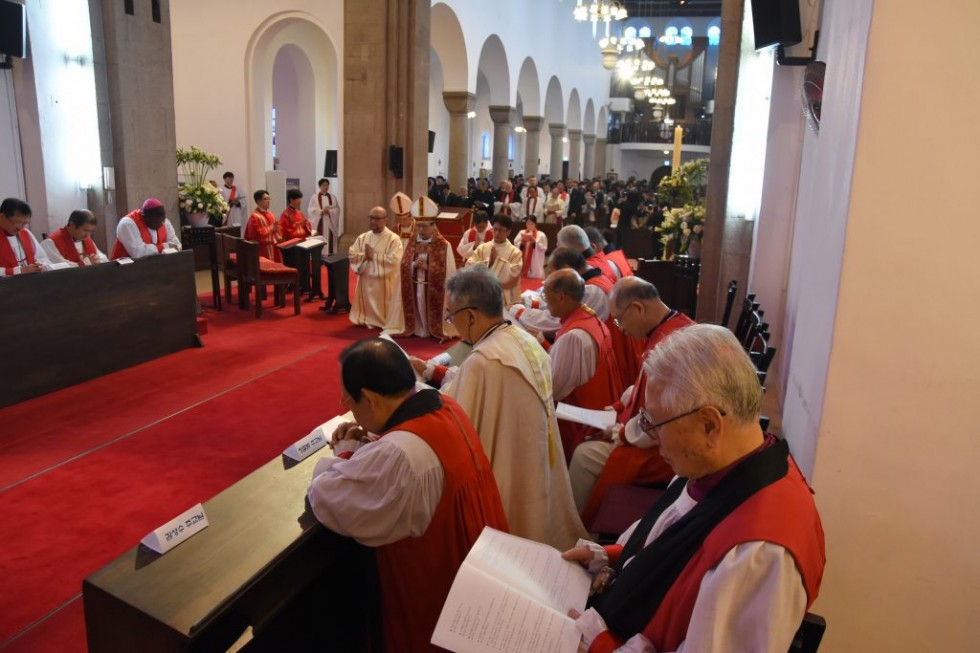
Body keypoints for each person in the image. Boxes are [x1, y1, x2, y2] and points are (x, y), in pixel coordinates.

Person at [561, 325, 825, 653]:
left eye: (655, 424)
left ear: (709, 425)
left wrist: (597, 643)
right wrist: (611, 558)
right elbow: (672, 547)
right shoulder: (720, 463)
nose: (651, 438)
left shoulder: (759, 553)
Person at [308, 338, 507, 653]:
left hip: (439, 591)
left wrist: (345, 453)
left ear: (370, 399)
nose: (345, 405)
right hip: (480, 562)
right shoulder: (444, 404)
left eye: (347, 397)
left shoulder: (400, 454)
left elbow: (329, 498)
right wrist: (375, 440)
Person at [409, 266, 587, 549]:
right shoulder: (522, 339)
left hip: (507, 471)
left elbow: (456, 421)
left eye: (451, 316)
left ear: (470, 315)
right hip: (537, 461)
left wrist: (413, 392)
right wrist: (433, 371)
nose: (451, 323)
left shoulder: (484, 361)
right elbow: (478, 385)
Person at [570, 277, 694, 523]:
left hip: (666, 449)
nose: (620, 329)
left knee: (584, 455)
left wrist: (620, 432)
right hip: (658, 431)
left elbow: (661, 419)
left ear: (637, 308)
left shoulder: (670, 348)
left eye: (619, 319)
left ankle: (577, 527)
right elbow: (643, 387)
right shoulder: (671, 327)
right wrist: (619, 406)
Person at [544, 269, 623, 462]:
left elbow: (552, 389)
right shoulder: (591, 318)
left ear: (561, 297)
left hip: (580, 422)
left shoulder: (574, 337)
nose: (545, 301)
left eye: (546, 295)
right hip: (600, 408)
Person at [398, 196, 456, 340]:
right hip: (415, 284)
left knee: (428, 306)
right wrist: (413, 265)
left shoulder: (443, 245)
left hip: (433, 288)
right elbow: (404, 264)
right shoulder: (412, 242)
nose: (421, 230)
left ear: (433, 226)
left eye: (425, 226)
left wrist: (428, 268)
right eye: (418, 226)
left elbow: (449, 273)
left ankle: (432, 329)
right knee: (418, 305)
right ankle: (419, 328)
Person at [349, 206, 403, 330]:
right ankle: (364, 318)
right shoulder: (363, 237)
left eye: (377, 219)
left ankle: (382, 320)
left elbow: (395, 261)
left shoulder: (393, 239)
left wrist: (374, 256)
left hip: (383, 282)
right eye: (371, 218)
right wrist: (364, 256)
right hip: (365, 279)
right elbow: (352, 254)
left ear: (386, 219)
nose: (373, 221)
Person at [465, 214, 523, 305]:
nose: (497, 233)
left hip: (503, 298)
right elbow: (469, 265)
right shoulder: (482, 248)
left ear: (508, 232)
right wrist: (489, 263)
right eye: (495, 229)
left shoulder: (515, 253)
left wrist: (497, 261)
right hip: (482, 294)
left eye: (501, 230)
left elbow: (513, 276)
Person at [111, 198, 181, 260]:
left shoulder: (164, 222)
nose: (160, 225)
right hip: (123, 267)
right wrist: (164, 246)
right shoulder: (128, 224)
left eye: (162, 221)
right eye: (155, 222)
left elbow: (176, 244)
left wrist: (171, 247)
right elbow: (138, 252)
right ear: (144, 217)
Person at [0, 198, 54, 275]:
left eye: (24, 223)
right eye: (16, 222)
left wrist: (41, 266)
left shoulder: (26, 233)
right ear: (2, 217)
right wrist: (19, 271)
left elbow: (43, 258)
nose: (20, 228)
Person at [278, 188, 315, 293]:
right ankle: (295, 286)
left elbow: (307, 226)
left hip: (303, 243)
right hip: (292, 246)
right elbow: (285, 231)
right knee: (296, 265)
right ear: (291, 199)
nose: (300, 201)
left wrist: (305, 225)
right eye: (298, 199)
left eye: (300, 198)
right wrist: (299, 225)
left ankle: (305, 286)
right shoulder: (285, 214)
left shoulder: (299, 213)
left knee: (304, 265)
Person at [42, 209, 109, 267]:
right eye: (85, 230)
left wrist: (97, 260)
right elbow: (58, 266)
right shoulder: (50, 242)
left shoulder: (86, 239)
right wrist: (84, 263)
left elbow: (103, 258)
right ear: (72, 225)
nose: (88, 235)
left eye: (91, 231)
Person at [244, 189, 282, 262]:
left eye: (269, 198)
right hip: (262, 249)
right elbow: (255, 235)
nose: (268, 201)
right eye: (265, 199)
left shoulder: (271, 214)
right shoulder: (254, 217)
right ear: (258, 201)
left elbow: (277, 229)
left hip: (273, 247)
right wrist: (271, 228)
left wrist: (277, 230)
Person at [308, 177, 341, 254]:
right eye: (324, 185)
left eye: (327, 185)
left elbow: (337, 209)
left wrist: (330, 212)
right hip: (320, 222)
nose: (326, 187)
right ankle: (320, 256)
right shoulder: (314, 197)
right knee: (319, 239)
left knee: (330, 241)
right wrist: (321, 211)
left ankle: (331, 256)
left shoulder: (333, 197)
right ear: (320, 186)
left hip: (330, 224)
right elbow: (311, 210)